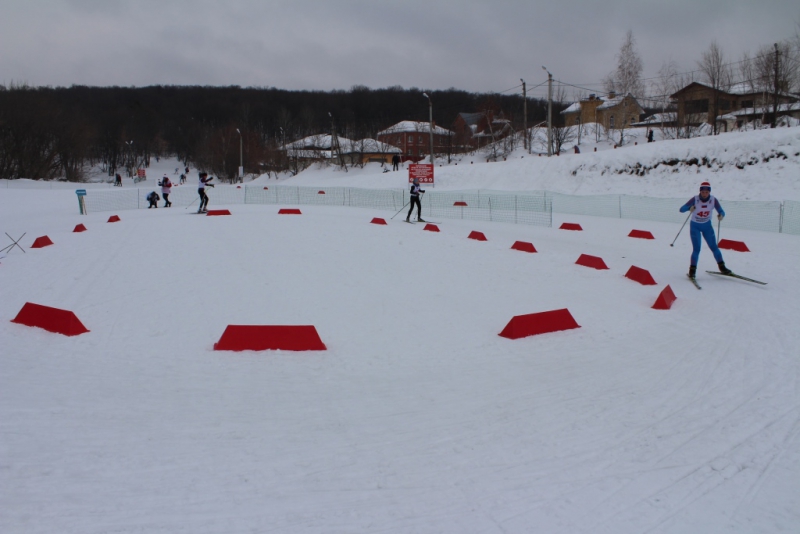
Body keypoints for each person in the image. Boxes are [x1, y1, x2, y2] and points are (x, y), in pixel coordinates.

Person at [679, 181, 731, 278]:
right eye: (703, 192)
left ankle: (722, 267)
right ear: (700, 191)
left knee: (714, 247)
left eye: (707, 192)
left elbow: (721, 211)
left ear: (709, 192)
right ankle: (692, 270)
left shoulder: (713, 200)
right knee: (697, 249)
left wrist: (721, 215)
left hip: (707, 226)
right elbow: (681, 209)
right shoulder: (695, 199)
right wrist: (689, 208)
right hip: (695, 227)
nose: (704, 194)